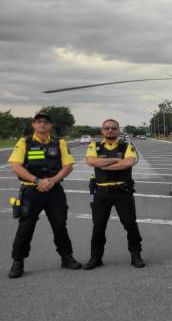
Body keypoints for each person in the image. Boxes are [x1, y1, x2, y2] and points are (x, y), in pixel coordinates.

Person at [7, 111, 82, 278]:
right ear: (33, 124)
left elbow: (68, 166)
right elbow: (16, 166)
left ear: (50, 126)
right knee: (25, 228)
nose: (42, 124)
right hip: (31, 191)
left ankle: (66, 257)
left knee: (60, 226)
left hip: (54, 190)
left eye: (45, 122)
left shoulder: (59, 142)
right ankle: (17, 262)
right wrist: (37, 181)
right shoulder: (24, 142)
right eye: (38, 121)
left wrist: (52, 181)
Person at [84, 119, 145, 269]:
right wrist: (116, 160)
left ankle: (135, 255)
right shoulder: (94, 146)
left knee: (130, 225)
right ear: (102, 131)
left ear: (118, 131)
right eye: (107, 128)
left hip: (123, 192)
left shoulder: (127, 146)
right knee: (98, 226)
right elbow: (92, 161)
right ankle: (96, 257)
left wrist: (103, 164)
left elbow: (128, 163)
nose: (110, 130)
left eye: (113, 128)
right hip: (101, 193)